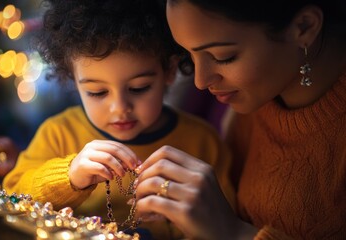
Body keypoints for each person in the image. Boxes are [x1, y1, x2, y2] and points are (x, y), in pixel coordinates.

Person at [2, 0, 232, 239]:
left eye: (139, 88)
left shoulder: (202, 142)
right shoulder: (58, 133)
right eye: (98, 92)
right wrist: (69, 175)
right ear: (74, 80)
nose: (120, 108)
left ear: (170, 71)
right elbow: (13, 195)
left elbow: (222, 221)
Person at [134, 0, 346, 239]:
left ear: (304, 27)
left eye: (223, 56)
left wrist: (232, 232)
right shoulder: (254, 98)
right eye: (189, 54)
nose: (200, 81)